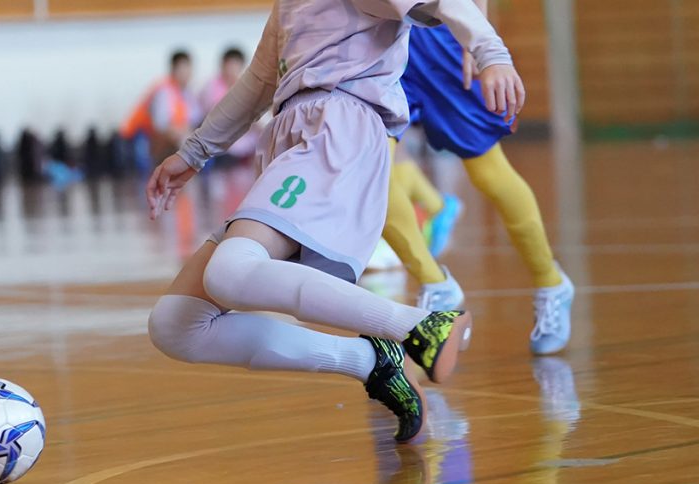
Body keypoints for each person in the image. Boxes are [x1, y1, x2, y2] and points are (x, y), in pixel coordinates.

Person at [145, 0, 524, 442]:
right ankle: (371, 364)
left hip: (337, 131)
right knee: (176, 324)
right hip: (292, 143)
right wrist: (193, 153)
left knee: (230, 271)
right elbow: (259, 81)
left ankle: (420, 326)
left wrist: (492, 55)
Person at [380, 0, 574, 355]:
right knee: (371, 177)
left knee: (489, 172)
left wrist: (477, 32)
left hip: (439, 38)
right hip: (380, 42)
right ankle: (434, 283)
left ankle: (551, 282)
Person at [121, 50, 198, 169]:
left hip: (167, 136)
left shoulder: (186, 93)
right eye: (182, 70)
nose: (186, 74)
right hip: (140, 136)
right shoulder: (164, 91)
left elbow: (194, 118)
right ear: (173, 70)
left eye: (188, 69)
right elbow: (160, 125)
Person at [200, 47, 260, 161]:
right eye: (230, 65)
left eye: (236, 65)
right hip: (221, 135)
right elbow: (212, 116)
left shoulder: (246, 86)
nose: (233, 69)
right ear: (223, 65)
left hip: (244, 134)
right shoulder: (211, 86)